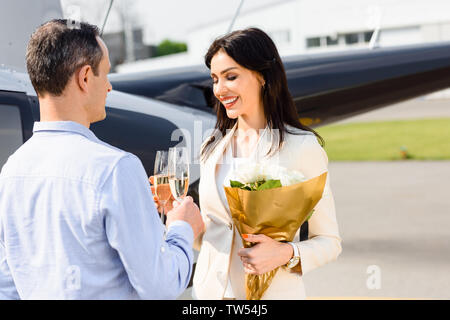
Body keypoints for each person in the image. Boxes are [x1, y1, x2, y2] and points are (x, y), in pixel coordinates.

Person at [0, 19, 203, 300]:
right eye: (105, 74)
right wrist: (182, 227)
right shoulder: (115, 169)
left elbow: (8, 286)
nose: (108, 87)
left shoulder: (11, 172)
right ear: (84, 77)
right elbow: (161, 287)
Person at [192, 28, 342, 300]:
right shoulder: (210, 147)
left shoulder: (302, 147)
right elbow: (212, 239)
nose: (219, 89)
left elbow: (330, 242)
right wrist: (179, 221)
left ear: (262, 76)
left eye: (231, 76)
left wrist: (285, 253)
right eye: (215, 79)